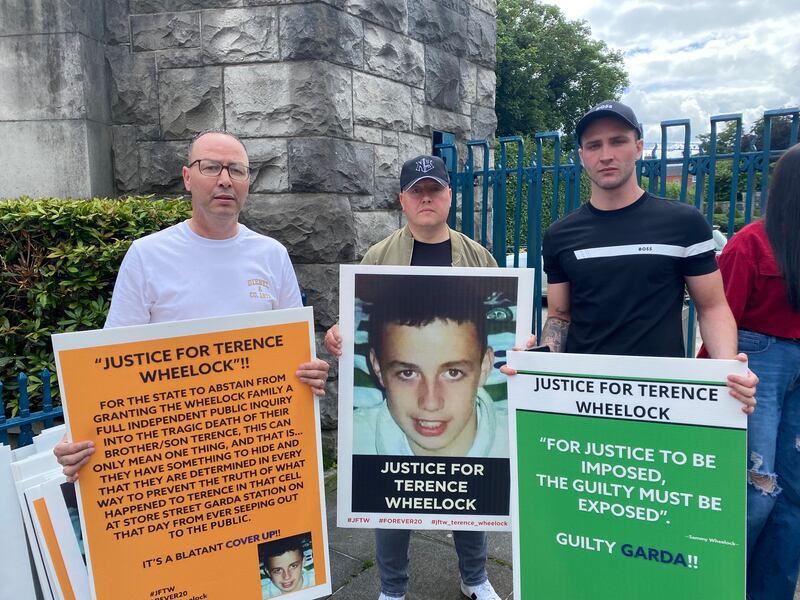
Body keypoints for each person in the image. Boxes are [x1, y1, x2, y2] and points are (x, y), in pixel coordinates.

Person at [54, 130, 329, 479]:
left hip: (255, 453)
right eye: (212, 167)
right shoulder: (147, 255)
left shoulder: (272, 256)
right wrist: (77, 433)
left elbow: (296, 356)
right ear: (188, 178)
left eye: (237, 170)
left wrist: (313, 371)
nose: (225, 180)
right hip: (173, 455)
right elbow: (110, 361)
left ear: (248, 181)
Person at [325, 155, 501, 600]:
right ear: (403, 199)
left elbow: (497, 327)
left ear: (448, 196)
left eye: (435, 190)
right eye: (417, 191)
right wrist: (339, 331)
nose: (426, 198)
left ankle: (475, 577)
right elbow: (356, 320)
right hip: (401, 401)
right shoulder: (378, 256)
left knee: (471, 494)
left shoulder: (478, 257)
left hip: (454, 396)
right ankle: (392, 588)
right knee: (390, 495)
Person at [506, 100, 757, 411]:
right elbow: (559, 316)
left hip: (661, 395)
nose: (606, 155)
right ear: (582, 156)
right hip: (584, 395)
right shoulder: (560, 235)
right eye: (594, 145)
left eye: (618, 141)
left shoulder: (684, 223)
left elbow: (712, 307)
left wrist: (727, 372)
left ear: (638, 147)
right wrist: (539, 370)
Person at [708, 144, 800, 600]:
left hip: (774, 365)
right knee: (755, 494)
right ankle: (719, 584)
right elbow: (719, 313)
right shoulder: (750, 243)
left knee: (791, 495)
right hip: (755, 366)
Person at [354, 274, 505, 458]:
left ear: (485, 366)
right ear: (377, 367)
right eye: (407, 373)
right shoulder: (351, 441)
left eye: (453, 373)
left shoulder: (522, 447)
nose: (430, 403)